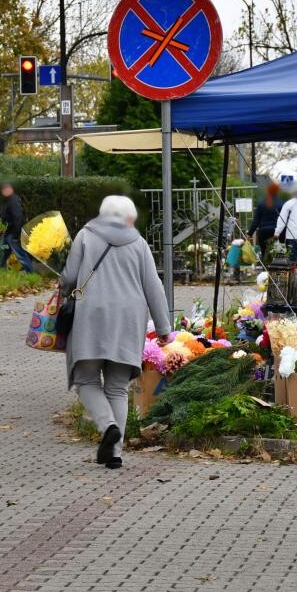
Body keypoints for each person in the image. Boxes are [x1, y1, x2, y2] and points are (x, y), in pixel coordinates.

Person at [63, 195, 172, 469]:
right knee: (117, 388)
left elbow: (70, 278)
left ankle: (107, 425)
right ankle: (115, 453)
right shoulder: (139, 242)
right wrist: (163, 329)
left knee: (86, 380)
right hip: (128, 321)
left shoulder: (85, 236)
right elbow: (153, 286)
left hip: (90, 318)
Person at [0, 182, 34, 272]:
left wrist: (16, 234)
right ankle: (1, 271)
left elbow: (17, 217)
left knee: (20, 254)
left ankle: (30, 272)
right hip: (8, 232)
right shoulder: (9, 200)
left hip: (12, 233)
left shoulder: (13, 200)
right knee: (4, 252)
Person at [250, 185, 281, 263]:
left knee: (264, 251)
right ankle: (276, 268)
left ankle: (265, 268)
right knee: (277, 251)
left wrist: (250, 233)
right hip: (277, 231)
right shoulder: (281, 204)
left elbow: (256, 221)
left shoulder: (261, 204)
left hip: (263, 231)